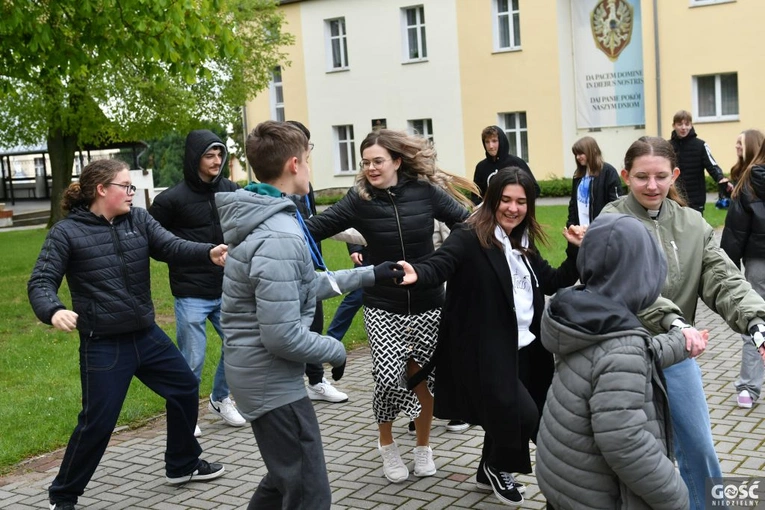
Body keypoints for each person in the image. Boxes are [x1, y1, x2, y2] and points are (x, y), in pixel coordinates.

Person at [215, 120, 405, 510]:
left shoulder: (269, 216)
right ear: (294, 165)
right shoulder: (278, 235)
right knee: (308, 491)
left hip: (260, 376)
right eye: (309, 160)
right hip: (270, 385)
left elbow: (301, 284)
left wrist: (371, 273)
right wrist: (334, 350)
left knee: (284, 477)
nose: (310, 168)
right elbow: (282, 335)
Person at [28, 159, 228, 510]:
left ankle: (182, 465)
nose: (132, 193)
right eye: (126, 186)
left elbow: (171, 246)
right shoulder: (66, 232)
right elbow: (41, 280)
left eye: (132, 186)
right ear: (102, 189)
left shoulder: (138, 219)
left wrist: (208, 252)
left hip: (146, 336)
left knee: (184, 386)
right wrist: (54, 309)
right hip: (103, 344)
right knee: (98, 423)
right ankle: (63, 496)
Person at [400, 167, 582, 507]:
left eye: (521, 202)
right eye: (505, 200)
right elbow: (442, 263)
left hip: (526, 349)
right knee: (523, 416)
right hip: (486, 350)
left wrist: (574, 251)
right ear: (491, 200)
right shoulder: (470, 236)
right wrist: (418, 272)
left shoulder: (521, 243)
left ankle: (486, 470)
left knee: (521, 411)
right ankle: (499, 466)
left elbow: (554, 281)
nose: (512, 208)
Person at [602, 136, 765, 510]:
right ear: (626, 176)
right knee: (633, 457)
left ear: (674, 175)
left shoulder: (692, 224)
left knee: (699, 446)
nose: (652, 185)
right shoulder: (611, 221)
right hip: (621, 357)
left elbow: (723, 279)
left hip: (677, 355)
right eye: (642, 176)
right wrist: (677, 323)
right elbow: (631, 285)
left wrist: (757, 324)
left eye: (661, 176)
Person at [306, 128, 476, 483]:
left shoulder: (425, 192)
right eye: (365, 162)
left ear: (397, 161)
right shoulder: (360, 199)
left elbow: (466, 224)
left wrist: (442, 262)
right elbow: (315, 227)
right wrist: (273, 229)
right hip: (383, 305)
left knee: (423, 381)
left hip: (429, 303)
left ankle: (423, 448)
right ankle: (387, 445)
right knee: (387, 379)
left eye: (378, 161)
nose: (371, 168)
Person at [536, 213, 703, 510]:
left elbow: (631, 355)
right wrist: (677, 497)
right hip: (599, 494)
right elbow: (625, 442)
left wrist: (681, 343)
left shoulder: (584, 314)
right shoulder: (620, 346)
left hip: (568, 479)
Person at [149, 129, 244, 435]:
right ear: (194, 158)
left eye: (220, 154)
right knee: (192, 359)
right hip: (190, 292)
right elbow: (154, 244)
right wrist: (185, 259)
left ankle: (220, 399)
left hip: (228, 287)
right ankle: (184, 415)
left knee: (239, 345)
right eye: (209, 155)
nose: (216, 161)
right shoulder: (170, 200)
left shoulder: (231, 189)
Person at [285, 120, 349, 403]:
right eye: (305, 146)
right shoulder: (275, 187)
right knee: (289, 327)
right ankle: (288, 385)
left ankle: (315, 380)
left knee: (314, 322)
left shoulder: (304, 182)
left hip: (309, 264)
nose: (308, 152)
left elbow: (314, 222)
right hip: (285, 269)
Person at [721, 131, 765, 408]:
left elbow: (736, 232)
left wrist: (726, 267)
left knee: (757, 320)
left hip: (758, 262)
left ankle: (748, 388)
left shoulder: (748, 183)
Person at [669, 110, 732, 213]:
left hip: (696, 200)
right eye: (680, 124)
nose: (683, 128)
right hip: (674, 198)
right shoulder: (668, 146)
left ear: (691, 125)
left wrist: (721, 178)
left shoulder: (701, 145)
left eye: (687, 124)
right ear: (674, 125)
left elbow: (712, 165)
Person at [472, 125, 540, 204]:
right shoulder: (481, 167)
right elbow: (476, 194)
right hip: (490, 214)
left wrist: (519, 203)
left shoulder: (516, 163)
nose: (490, 146)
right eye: (487, 142)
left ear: (501, 141)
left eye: (494, 141)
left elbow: (534, 189)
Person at [566, 136, 621, 228]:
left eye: (581, 153)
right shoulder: (578, 175)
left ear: (592, 151)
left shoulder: (608, 172)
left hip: (600, 229)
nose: (578, 157)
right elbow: (573, 204)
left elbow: (616, 204)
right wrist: (571, 225)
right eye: (576, 154)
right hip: (579, 230)